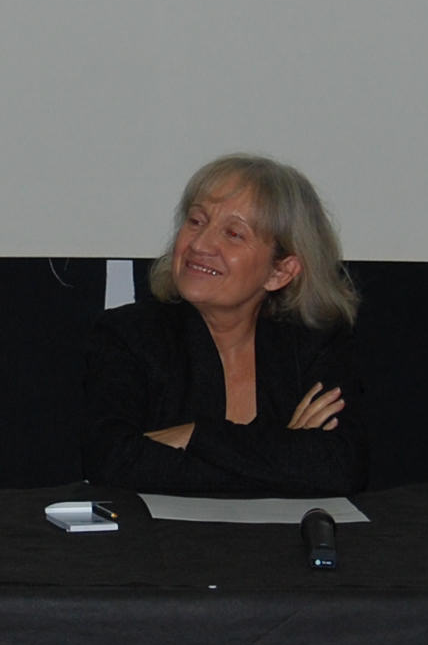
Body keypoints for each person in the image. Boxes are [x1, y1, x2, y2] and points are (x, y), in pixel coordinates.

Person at [81, 154, 367, 497]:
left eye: (233, 234)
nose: (199, 244)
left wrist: (193, 436)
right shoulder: (129, 335)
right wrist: (282, 451)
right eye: (196, 221)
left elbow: (338, 469)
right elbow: (111, 461)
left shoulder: (315, 344)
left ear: (280, 272)